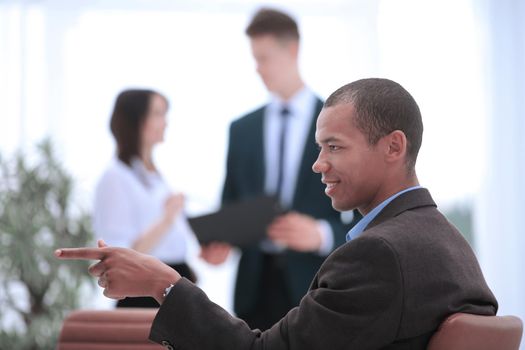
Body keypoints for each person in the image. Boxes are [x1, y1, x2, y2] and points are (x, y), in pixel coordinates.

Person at [57, 78, 498, 349]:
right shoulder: (448, 242)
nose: (318, 164)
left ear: (393, 147)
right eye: (318, 147)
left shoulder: (378, 254)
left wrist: (165, 284)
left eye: (334, 147)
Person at [200, 7, 359, 330]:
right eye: (254, 58)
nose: (258, 69)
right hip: (252, 291)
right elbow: (231, 203)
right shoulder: (241, 129)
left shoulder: (339, 124)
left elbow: (365, 217)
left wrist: (319, 235)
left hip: (317, 286)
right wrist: (222, 241)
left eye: (264, 58)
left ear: (292, 50)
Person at [92, 89, 196, 308]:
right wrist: (167, 219)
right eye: (158, 114)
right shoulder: (115, 177)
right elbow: (120, 256)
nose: (165, 123)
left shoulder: (155, 175)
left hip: (172, 285)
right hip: (144, 294)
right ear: (136, 120)